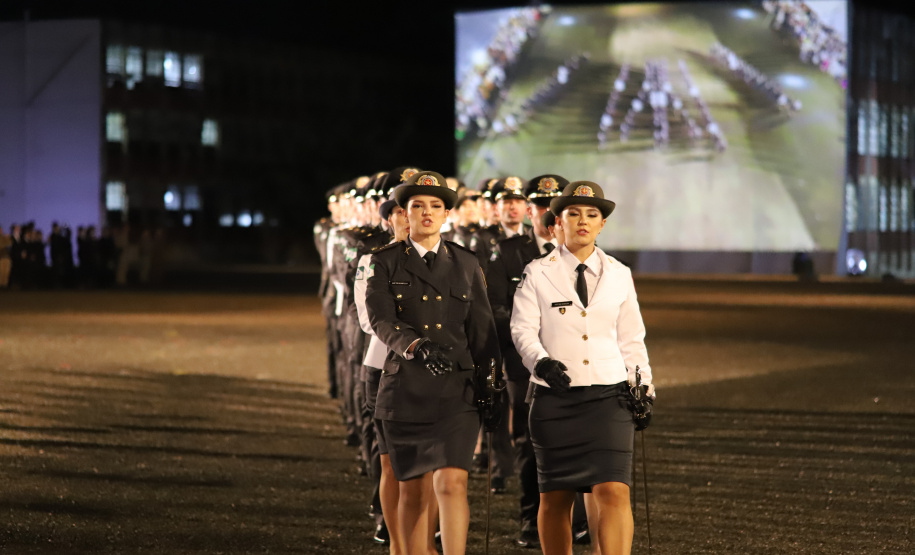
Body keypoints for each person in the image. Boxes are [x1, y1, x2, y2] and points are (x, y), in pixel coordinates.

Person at [510, 181, 655, 555]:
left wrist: (644, 387)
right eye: (573, 213)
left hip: (610, 397)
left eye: (592, 214)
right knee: (556, 497)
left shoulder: (620, 273)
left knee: (614, 490)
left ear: (602, 224)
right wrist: (541, 362)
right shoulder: (537, 272)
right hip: (554, 400)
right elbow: (522, 329)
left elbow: (631, 338)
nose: (583, 221)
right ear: (557, 221)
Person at [365, 170, 501, 555]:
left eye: (435, 206)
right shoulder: (385, 262)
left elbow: (482, 331)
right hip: (406, 389)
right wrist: (416, 345)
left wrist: (494, 385)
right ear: (405, 214)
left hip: (457, 391)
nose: (426, 212)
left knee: (453, 482)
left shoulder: (466, 263)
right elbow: (381, 320)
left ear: (447, 215)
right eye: (417, 206)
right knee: (414, 489)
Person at [485, 174, 566, 548]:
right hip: (523, 363)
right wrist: (531, 336)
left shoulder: (579, 252)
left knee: (574, 440)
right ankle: (530, 520)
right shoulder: (509, 251)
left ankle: (574, 519)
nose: (548, 215)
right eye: (541, 206)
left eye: (554, 206)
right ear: (531, 211)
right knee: (530, 443)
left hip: (573, 362)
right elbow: (496, 308)